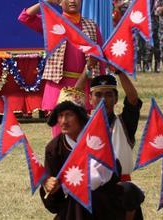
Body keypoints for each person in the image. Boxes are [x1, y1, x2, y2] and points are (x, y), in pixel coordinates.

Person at [40, 86, 144, 220]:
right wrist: (49, 186)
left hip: (104, 200)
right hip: (72, 208)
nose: (64, 121)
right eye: (60, 116)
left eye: (69, 115)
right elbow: (54, 204)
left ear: (80, 117)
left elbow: (112, 173)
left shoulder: (96, 136)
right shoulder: (54, 149)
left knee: (128, 192)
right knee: (78, 200)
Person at [19, 0, 103, 133]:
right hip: (59, 84)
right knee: (60, 134)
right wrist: (47, 2)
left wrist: (100, 86)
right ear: (60, 1)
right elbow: (25, 18)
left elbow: (100, 58)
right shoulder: (53, 23)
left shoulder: (91, 26)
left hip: (84, 83)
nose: (72, 0)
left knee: (83, 134)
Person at [77, 71, 142, 182]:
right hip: (91, 186)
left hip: (120, 187)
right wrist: (86, 70)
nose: (103, 99)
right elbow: (73, 99)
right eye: (98, 95)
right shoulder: (83, 123)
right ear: (90, 99)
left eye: (108, 95)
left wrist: (119, 72)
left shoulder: (124, 123)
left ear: (116, 99)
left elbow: (133, 100)